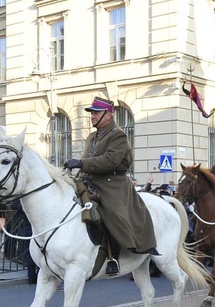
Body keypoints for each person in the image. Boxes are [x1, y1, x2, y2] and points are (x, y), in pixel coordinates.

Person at [63, 97, 157, 276]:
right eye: (91, 113)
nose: (92, 116)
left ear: (108, 115)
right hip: (90, 180)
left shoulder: (118, 135)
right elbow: (90, 160)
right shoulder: (93, 136)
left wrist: (81, 163)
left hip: (112, 183)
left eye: (96, 113)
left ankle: (113, 256)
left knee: (111, 212)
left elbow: (110, 160)